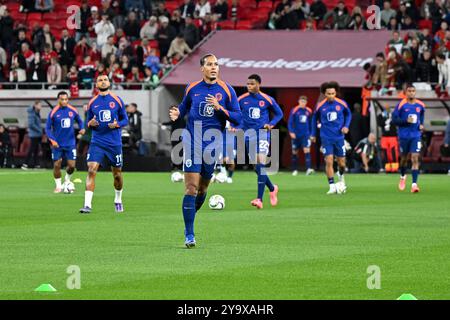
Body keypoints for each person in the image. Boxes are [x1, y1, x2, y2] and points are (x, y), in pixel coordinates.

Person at [168, 53, 241, 248]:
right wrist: (178, 113)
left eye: (216, 64)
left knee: (203, 189)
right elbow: (184, 108)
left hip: (213, 145)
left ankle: (190, 217)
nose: (214, 67)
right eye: (209, 64)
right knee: (191, 188)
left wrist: (219, 108)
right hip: (192, 141)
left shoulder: (227, 90)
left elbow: (238, 118)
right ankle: (189, 233)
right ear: (202, 68)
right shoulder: (192, 88)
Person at [79, 75, 129, 214]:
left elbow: (125, 119)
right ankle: (87, 205)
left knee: (117, 174)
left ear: (109, 83)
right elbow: (87, 122)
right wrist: (90, 124)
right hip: (97, 142)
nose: (103, 82)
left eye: (105, 79)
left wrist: (117, 124)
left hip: (114, 143)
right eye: (100, 80)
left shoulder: (117, 100)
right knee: (91, 170)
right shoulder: (92, 102)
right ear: (96, 84)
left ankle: (118, 199)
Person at [238, 74, 282, 209]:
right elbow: (235, 114)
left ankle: (259, 199)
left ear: (258, 84)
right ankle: (272, 188)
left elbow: (279, 113)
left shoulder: (267, 99)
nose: (249, 86)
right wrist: (235, 126)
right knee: (256, 167)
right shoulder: (241, 99)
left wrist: (271, 124)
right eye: (248, 84)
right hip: (248, 135)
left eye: (252, 84)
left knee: (260, 164)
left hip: (263, 134)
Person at [310, 81, 352, 194]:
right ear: (325, 93)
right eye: (329, 93)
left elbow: (349, 114)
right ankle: (332, 186)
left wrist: (346, 126)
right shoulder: (320, 105)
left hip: (339, 137)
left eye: (333, 93)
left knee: (342, 163)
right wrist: (313, 134)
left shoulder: (341, 103)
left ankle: (341, 174)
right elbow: (314, 119)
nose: (331, 96)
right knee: (328, 161)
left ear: (336, 93)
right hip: (326, 137)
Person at [45, 91, 85, 193]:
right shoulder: (53, 112)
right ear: (58, 100)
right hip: (57, 144)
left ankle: (67, 181)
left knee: (72, 166)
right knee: (57, 165)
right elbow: (48, 129)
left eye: (66, 99)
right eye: (62, 99)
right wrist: (52, 140)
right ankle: (58, 186)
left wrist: (82, 128)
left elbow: (80, 121)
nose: (64, 101)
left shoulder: (73, 110)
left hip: (70, 143)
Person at [392, 84, 425, 193]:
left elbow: (422, 116)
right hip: (404, 136)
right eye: (409, 91)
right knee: (404, 159)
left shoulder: (420, 105)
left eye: (413, 91)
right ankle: (402, 176)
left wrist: (421, 124)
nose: (411, 93)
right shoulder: (401, 105)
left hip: (415, 136)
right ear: (406, 92)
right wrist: (406, 121)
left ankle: (414, 185)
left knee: (415, 158)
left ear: (415, 92)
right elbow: (394, 120)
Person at [288, 96, 314, 176]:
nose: (303, 103)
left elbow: (311, 123)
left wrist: (311, 134)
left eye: (304, 102)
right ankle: (295, 170)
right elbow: (290, 122)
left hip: (305, 134)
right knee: (295, 151)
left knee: (307, 150)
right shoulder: (295, 110)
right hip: (296, 134)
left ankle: (308, 169)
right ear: (299, 101)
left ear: (306, 102)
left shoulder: (309, 111)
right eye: (301, 101)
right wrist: (291, 132)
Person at [22, 101, 43, 170]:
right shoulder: (32, 114)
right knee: (32, 149)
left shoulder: (37, 113)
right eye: (39, 105)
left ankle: (36, 165)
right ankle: (25, 164)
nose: (41, 107)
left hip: (37, 134)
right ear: (35, 105)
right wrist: (40, 130)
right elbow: (31, 124)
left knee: (36, 150)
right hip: (34, 135)